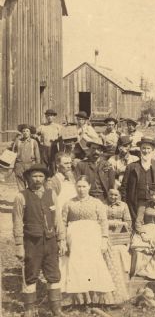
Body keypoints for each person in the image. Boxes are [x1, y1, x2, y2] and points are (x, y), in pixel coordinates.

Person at [61, 177, 126, 306]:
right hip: (75, 241)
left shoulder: (97, 203)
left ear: (89, 186)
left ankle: (97, 300)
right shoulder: (68, 203)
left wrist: (104, 239)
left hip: (92, 239)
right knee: (76, 267)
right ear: (75, 187)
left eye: (84, 186)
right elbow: (63, 222)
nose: (81, 189)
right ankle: (79, 300)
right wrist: (63, 240)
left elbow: (103, 222)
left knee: (94, 267)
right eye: (79, 186)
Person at [13, 164, 66, 317]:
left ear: (45, 178)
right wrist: (19, 245)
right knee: (31, 274)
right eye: (34, 176)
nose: (37, 179)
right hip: (32, 242)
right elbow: (17, 222)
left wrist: (61, 240)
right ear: (29, 178)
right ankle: (30, 310)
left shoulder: (51, 194)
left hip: (50, 241)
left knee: (54, 274)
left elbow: (58, 219)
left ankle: (56, 309)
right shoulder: (21, 196)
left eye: (41, 176)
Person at [122, 137, 155, 219]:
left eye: (148, 148)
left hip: (154, 203)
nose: (146, 151)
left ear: (152, 150)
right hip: (136, 202)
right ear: (140, 150)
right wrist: (126, 203)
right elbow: (124, 187)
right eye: (143, 148)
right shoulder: (131, 167)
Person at [74, 138, 115, 203]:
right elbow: (76, 183)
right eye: (93, 148)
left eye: (98, 149)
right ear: (89, 149)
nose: (96, 151)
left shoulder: (107, 165)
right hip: (86, 198)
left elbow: (112, 185)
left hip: (103, 198)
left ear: (101, 151)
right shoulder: (81, 165)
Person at [106, 188, 133, 278]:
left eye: (116, 195)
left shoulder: (124, 205)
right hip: (106, 230)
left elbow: (128, 222)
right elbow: (100, 220)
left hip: (120, 233)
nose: (113, 197)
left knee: (121, 250)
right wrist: (111, 223)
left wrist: (121, 224)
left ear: (120, 195)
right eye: (111, 194)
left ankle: (124, 273)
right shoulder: (102, 204)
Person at [13, 124, 42, 191]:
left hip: (30, 165)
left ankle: (31, 199)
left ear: (30, 133)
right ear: (21, 132)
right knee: (21, 186)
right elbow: (13, 154)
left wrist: (38, 167)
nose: (25, 132)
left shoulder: (34, 142)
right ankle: (23, 199)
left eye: (27, 131)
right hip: (19, 165)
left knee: (31, 184)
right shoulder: (18, 142)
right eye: (23, 131)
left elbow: (37, 156)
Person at [36, 109, 62, 173]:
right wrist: (38, 141)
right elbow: (34, 134)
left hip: (54, 148)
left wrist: (56, 140)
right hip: (44, 148)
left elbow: (62, 137)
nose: (50, 117)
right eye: (48, 116)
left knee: (53, 166)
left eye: (51, 116)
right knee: (43, 166)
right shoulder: (42, 126)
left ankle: (53, 181)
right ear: (46, 117)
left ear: (54, 117)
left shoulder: (58, 127)